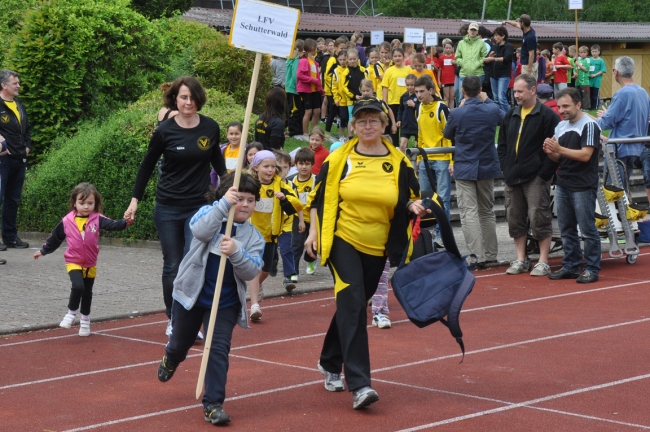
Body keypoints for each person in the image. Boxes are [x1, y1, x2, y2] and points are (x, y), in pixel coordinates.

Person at [304, 97, 429, 410]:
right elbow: (318, 200)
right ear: (352, 126)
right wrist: (312, 234)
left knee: (353, 302)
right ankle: (360, 384)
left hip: (379, 245)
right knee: (355, 303)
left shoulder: (400, 161)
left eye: (374, 120)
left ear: (384, 125)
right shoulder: (338, 160)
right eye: (362, 121)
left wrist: (414, 206)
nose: (368, 125)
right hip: (341, 239)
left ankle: (330, 360)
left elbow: (411, 197)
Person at [157, 173, 265, 425]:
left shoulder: (254, 237)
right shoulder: (209, 214)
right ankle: (171, 357)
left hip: (225, 303)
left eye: (251, 200)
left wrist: (237, 252)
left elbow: (252, 271)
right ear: (226, 196)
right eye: (240, 199)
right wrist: (223, 206)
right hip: (191, 297)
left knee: (217, 350)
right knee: (180, 342)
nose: (245, 205)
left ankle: (213, 403)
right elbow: (199, 231)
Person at [124, 76, 227, 336]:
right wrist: (134, 200)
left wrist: (229, 192)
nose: (188, 102)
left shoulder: (211, 128)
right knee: (172, 264)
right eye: (183, 97)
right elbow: (147, 165)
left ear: (199, 99)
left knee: (194, 263)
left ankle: (191, 319)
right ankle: (174, 318)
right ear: (175, 99)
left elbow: (219, 164)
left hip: (199, 207)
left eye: (192, 97)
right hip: (168, 207)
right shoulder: (164, 131)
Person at [35, 183, 132, 336]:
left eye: (90, 203)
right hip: (73, 261)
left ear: (95, 204)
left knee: (87, 293)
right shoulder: (67, 221)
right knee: (78, 286)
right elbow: (55, 238)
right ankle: (71, 313)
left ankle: (85, 322)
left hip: (90, 263)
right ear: (74, 203)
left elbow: (114, 225)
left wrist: (126, 222)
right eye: (82, 203)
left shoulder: (97, 219)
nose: (86, 206)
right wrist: (43, 250)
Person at [497, 74, 560, 276]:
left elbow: (554, 147)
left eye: (519, 91)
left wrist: (543, 175)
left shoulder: (547, 116)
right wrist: (505, 167)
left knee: (538, 216)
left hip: (535, 177)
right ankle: (521, 259)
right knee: (514, 217)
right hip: (512, 175)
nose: (516, 95)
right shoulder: (510, 115)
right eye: (514, 91)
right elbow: (503, 145)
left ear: (533, 91)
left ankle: (543, 260)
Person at [443, 76, 503, 267]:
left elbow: (447, 134)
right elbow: (504, 116)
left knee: (469, 212)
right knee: (486, 211)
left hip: (465, 165)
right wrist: (488, 100)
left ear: (463, 91)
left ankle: (477, 256)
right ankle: (491, 254)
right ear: (480, 90)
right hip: (486, 165)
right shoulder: (491, 109)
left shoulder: (457, 113)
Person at [543, 88, 602, 283]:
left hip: (583, 185)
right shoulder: (561, 126)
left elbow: (586, 155)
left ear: (578, 104)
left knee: (587, 229)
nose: (562, 110)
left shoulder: (590, 125)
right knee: (566, 228)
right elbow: (558, 157)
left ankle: (592, 268)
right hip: (564, 182)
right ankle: (571, 265)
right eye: (559, 106)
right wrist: (551, 151)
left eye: (566, 106)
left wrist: (558, 149)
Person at [248, 150, 301, 321]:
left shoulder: (280, 185)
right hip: (252, 234)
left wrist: (284, 199)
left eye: (272, 167)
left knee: (267, 268)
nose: (270, 170)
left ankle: (259, 285)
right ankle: (254, 305)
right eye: (266, 166)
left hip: (271, 235)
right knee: (255, 269)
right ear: (256, 167)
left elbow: (296, 206)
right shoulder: (250, 183)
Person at [596, 56, 650, 191]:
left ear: (616, 72)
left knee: (613, 194)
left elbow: (606, 122)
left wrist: (588, 121)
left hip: (619, 150)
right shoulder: (643, 92)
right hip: (636, 148)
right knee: (623, 194)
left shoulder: (622, 94)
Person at [414, 76, 452, 243]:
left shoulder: (441, 108)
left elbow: (450, 135)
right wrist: (418, 158)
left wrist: (452, 160)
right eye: (416, 92)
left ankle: (442, 236)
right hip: (425, 159)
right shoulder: (419, 108)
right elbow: (420, 134)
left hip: (442, 158)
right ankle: (423, 236)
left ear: (431, 90)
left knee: (442, 199)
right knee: (424, 199)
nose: (419, 95)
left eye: (422, 91)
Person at [0, 69, 31, 250]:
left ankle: (10, 237)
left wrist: (27, 146)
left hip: (19, 159)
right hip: (3, 160)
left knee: (13, 199)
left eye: (18, 82)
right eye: (15, 83)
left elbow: (27, 128)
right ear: (4, 85)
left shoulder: (19, 104)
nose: (18, 85)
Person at [290, 148, 318, 280]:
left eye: (307, 164)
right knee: (296, 244)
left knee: (314, 243)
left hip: (314, 217)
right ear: (295, 165)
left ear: (312, 165)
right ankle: (294, 271)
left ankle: (310, 259)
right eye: (301, 164)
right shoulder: (292, 182)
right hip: (298, 218)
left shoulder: (316, 180)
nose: (304, 167)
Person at [274, 149, 299, 292]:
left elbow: (298, 206)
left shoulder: (291, 186)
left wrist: (301, 221)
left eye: (285, 167)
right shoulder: (269, 184)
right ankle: (273, 261)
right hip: (270, 224)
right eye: (279, 166)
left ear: (290, 168)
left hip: (287, 224)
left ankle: (289, 276)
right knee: (271, 252)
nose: (282, 170)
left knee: (286, 249)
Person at [381, 48, 413, 145]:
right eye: (395, 56)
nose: (397, 58)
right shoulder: (389, 71)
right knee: (392, 127)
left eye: (399, 56)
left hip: (405, 102)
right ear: (392, 58)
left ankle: (403, 146)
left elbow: (413, 84)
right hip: (392, 102)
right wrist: (384, 102)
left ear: (403, 57)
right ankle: (393, 146)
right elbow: (385, 87)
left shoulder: (409, 69)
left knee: (404, 125)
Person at [297, 38, 324, 138]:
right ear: (312, 48)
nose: (317, 49)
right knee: (308, 111)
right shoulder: (304, 61)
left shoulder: (314, 62)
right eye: (316, 47)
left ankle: (314, 132)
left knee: (317, 111)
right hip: (306, 90)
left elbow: (317, 77)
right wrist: (313, 81)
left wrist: (320, 89)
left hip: (314, 90)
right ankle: (304, 133)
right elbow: (300, 75)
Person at [484, 26, 514, 114]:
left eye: (497, 35)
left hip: (503, 75)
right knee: (496, 98)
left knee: (501, 97)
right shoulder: (494, 46)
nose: (495, 37)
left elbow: (506, 58)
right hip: (493, 75)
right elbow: (488, 59)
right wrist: (489, 56)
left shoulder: (508, 46)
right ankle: (499, 118)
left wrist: (493, 59)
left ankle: (508, 117)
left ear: (503, 36)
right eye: (494, 35)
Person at [210, 121, 245, 187]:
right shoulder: (222, 149)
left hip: (241, 184)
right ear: (227, 135)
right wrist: (213, 185)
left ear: (243, 134)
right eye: (231, 134)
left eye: (237, 134)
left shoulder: (246, 149)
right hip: (225, 183)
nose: (234, 136)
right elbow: (215, 169)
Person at [286, 39, 305, 138]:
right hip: (294, 89)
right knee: (295, 110)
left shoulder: (290, 59)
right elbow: (295, 76)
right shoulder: (297, 60)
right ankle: (294, 132)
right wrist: (298, 87)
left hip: (290, 88)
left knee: (293, 109)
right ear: (301, 50)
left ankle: (296, 130)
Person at [396, 74, 419, 152]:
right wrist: (399, 119)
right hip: (406, 124)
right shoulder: (403, 96)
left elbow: (423, 109)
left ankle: (416, 162)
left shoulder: (419, 96)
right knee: (402, 145)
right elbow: (400, 109)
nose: (410, 87)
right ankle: (403, 162)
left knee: (417, 147)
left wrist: (414, 105)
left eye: (412, 85)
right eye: (408, 85)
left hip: (416, 125)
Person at [439, 39, 456, 109]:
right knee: (446, 97)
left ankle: (451, 111)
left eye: (449, 48)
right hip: (445, 79)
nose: (448, 49)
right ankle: (445, 111)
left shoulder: (455, 57)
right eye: (446, 48)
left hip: (453, 79)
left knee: (452, 97)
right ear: (444, 48)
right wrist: (439, 80)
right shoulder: (441, 58)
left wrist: (455, 62)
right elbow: (440, 69)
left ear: (452, 48)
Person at [589, 45, 606, 109]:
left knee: (595, 95)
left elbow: (603, 70)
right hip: (589, 80)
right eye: (593, 51)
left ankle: (595, 107)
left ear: (599, 52)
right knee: (590, 94)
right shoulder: (589, 60)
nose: (594, 53)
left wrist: (595, 75)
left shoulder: (601, 61)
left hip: (597, 80)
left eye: (595, 51)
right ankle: (590, 106)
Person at [574, 46, 592, 110]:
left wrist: (579, 64)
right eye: (581, 52)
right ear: (579, 53)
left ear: (587, 53)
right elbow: (574, 69)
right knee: (578, 95)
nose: (583, 54)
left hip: (584, 81)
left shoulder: (587, 60)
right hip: (577, 81)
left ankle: (586, 107)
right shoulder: (577, 60)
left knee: (585, 95)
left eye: (584, 52)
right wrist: (574, 73)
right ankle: (580, 107)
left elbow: (586, 69)